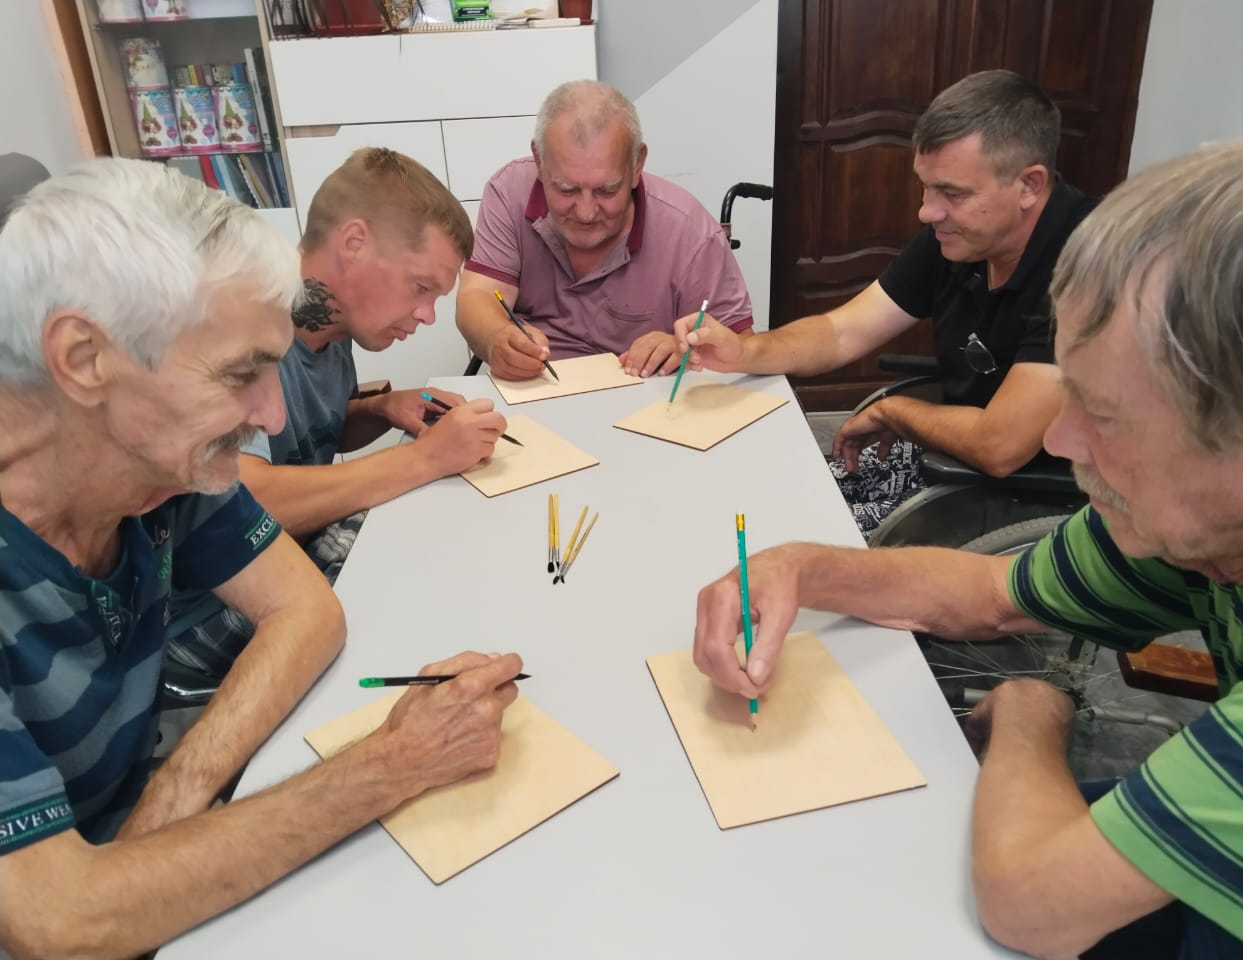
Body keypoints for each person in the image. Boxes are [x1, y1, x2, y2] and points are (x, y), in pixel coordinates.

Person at [690, 137, 1243, 960]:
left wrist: (1034, 709)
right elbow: (991, 594)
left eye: (1108, 417)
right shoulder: (1199, 532)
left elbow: (1031, 903)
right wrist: (797, 566)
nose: (1061, 440)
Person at [0, 159, 523, 958]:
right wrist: (390, 764)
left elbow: (307, 609)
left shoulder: (158, 456)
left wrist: (169, 807)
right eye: (241, 373)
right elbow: (61, 922)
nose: (273, 415)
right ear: (81, 356)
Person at [675, 70, 1096, 534]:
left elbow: (999, 446)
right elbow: (841, 332)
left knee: (787, 537)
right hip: (948, 465)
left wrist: (895, 410)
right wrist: (744, 351)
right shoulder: (961, 239)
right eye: (926, 186)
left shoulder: (1091, 270)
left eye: (952, 193)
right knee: (764, 495)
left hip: (1024, 501)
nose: (927, 211)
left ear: (1030, 185)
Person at [165, 147, 509, 682]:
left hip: (280, 560)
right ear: (353, 243)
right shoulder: (240, 325)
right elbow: (241, 501)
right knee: (412, 550)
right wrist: (426, 459)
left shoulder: (333, 328)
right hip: (208, 608)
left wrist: (379, 409)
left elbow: (310, 436)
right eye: (421, 288)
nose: (427, 315)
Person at [456, 79, 754, 381]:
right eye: (565, 189)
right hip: (536, 388)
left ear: (637, 165)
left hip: (645, 394)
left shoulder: (691, 233)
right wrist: (497, 337)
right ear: (539, 161)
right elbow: (478, 296)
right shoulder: (509, 192)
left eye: (607, 190)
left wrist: (685, 350)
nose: (586, 213)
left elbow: (737, 350)